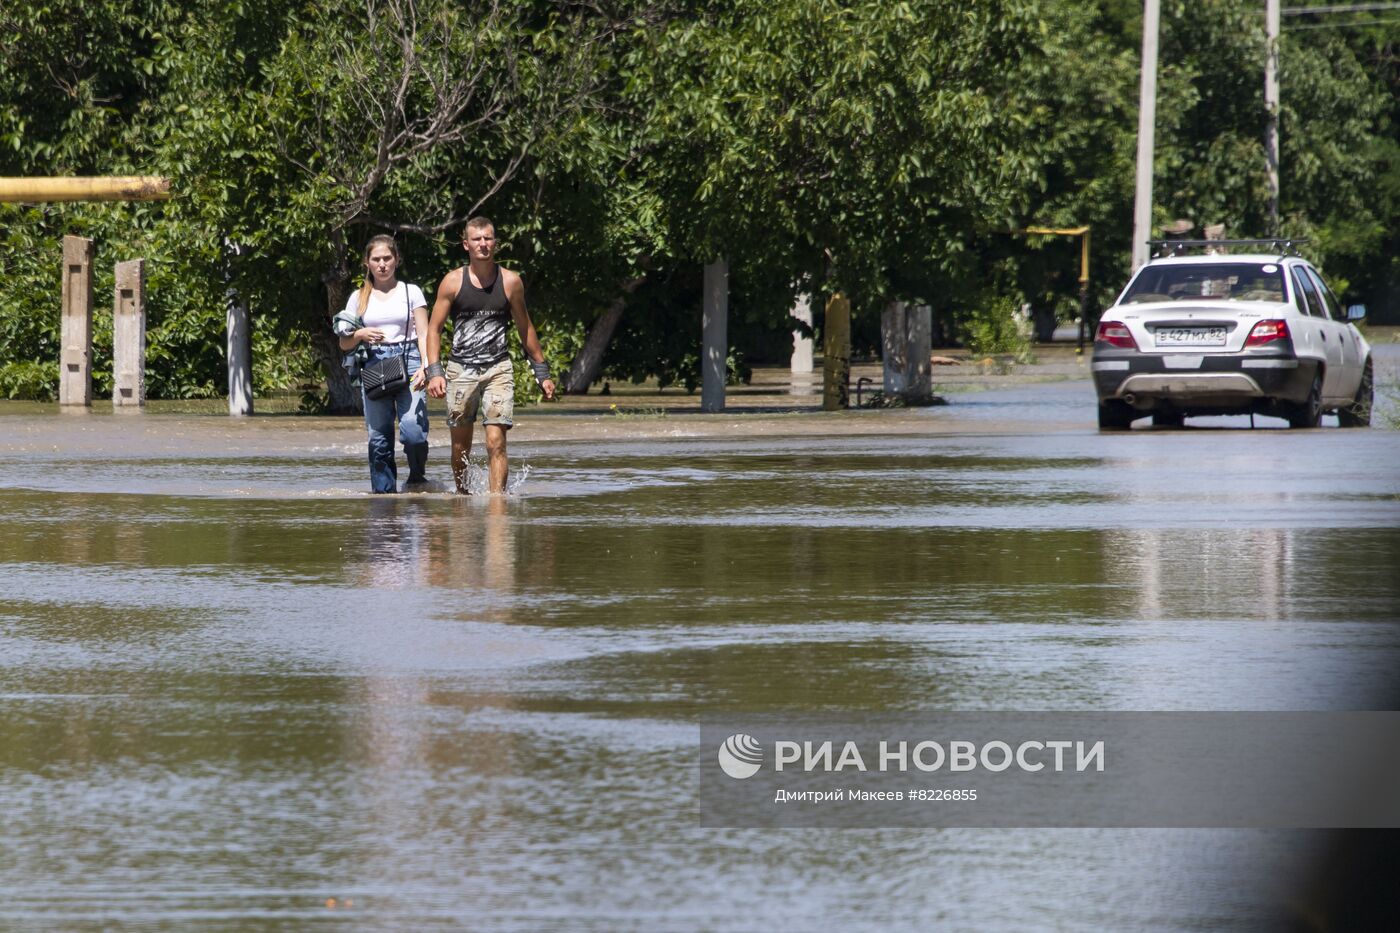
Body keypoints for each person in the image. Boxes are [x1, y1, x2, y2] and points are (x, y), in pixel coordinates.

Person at [424, 217, 555, 494]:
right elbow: (433, 330)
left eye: (488, 238)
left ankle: (498, 504)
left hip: (498, 368)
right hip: (461, 370)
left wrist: (542, 372)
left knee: (496, 440)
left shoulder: (511, 282)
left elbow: (525, 327)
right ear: (466, 244)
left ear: (495, 242)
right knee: (461, 446)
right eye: (477, 239)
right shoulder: (452, 282)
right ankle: (462, 495)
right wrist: (434, 372)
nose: (483, 244)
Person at [335, 235, 432, 493]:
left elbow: (424, 333)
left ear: (396, 260)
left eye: (387, 258)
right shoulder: (358, 298)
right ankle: (384, 497)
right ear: (367, 263)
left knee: (413, 432)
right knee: (379, 440)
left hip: (410, 360)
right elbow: (344, 343)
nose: (382, 264)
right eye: (376, 259)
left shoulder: (412, 292)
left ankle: (416, 478)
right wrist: (359, 335)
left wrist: (427, 366)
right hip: (374, 364)